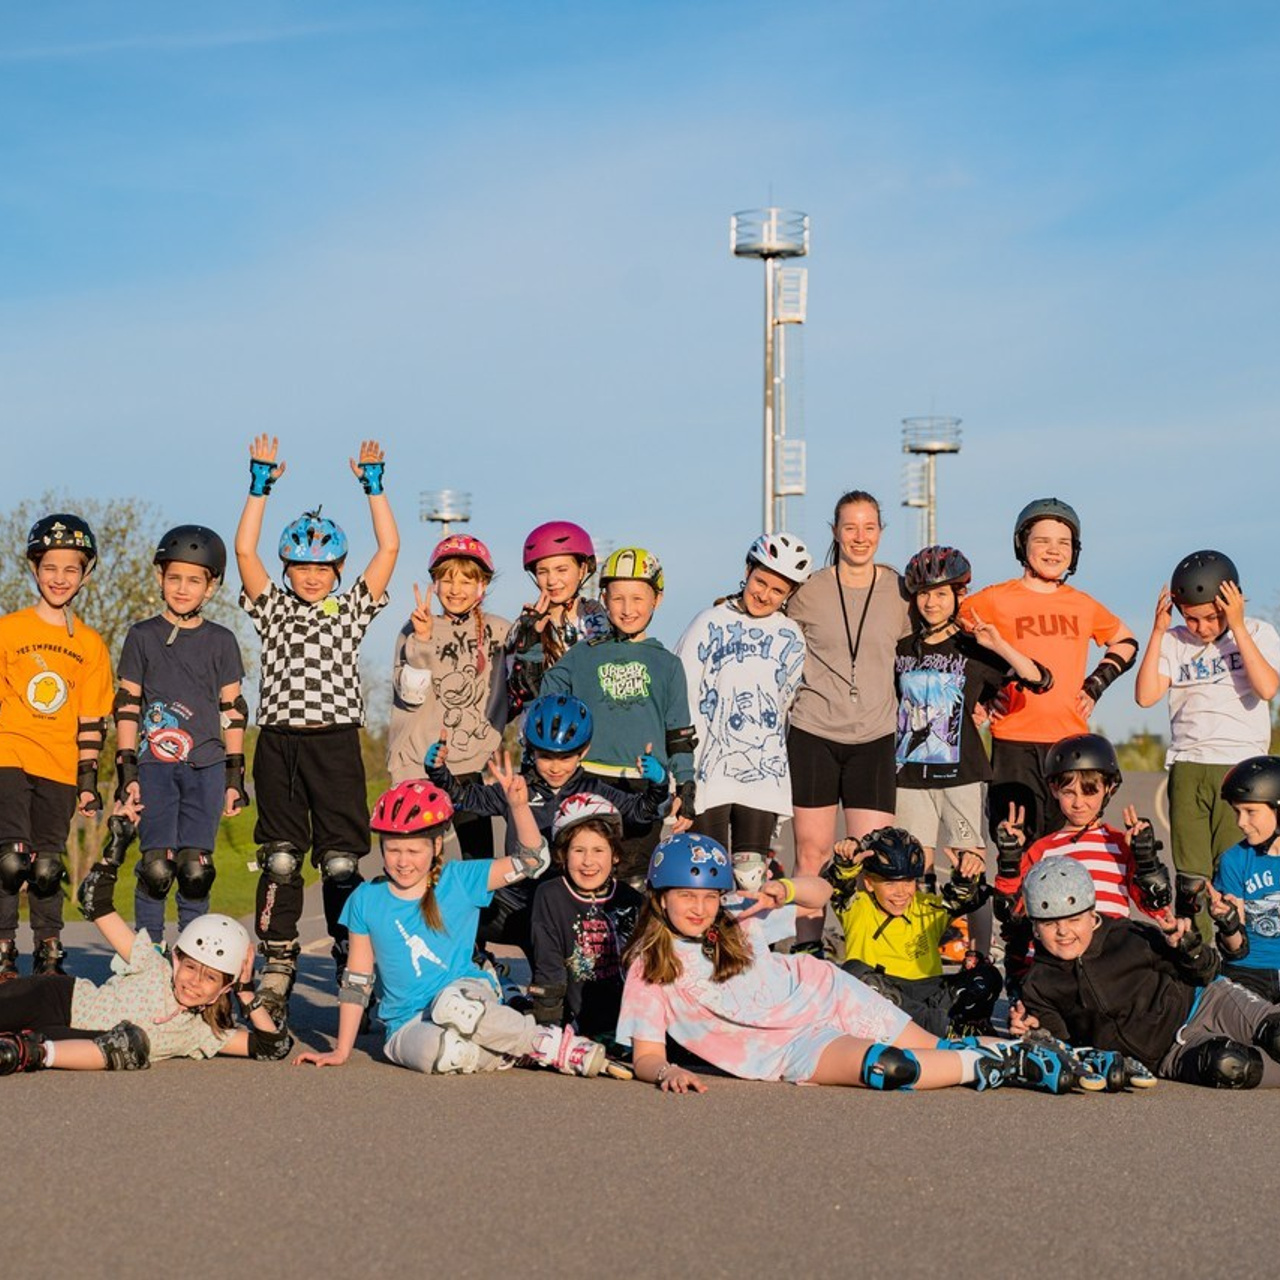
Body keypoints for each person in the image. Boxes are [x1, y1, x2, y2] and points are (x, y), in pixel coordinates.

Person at [616, 831, 1090, 1095]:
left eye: (707, 897)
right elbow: (647, 1055)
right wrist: (666, 1073)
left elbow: (822, 893)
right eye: (685, 896)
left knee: (933, 1045)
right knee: (892, 1068)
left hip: (825, 991)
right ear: (660, 898)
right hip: (787, 1050)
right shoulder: (649, 966)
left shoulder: (737, 916)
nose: (699, 908)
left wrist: (783, 890)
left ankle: (1059, 1055)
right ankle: (1007, 1064)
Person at [235, 435, 398, 1017]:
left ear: (337, 570)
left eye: (322, 567)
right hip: (279, 743)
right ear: (288, 569)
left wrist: (373, 487)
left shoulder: (351, 610)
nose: (311, 576)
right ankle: (277, 963)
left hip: (334, 743)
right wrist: (259, 487)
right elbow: (245, 553)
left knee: (341, 863)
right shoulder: (273, 608)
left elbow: (388, 551)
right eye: (301, 567)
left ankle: (353, 965)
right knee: (281, 858)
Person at [292, 778, 607, 1077]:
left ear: (436, 845)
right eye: (393, 850)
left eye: (414, 851)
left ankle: (551, 1045)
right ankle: (509, 1048)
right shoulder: (365, 898)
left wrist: (519, 807)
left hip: (466, 994)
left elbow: (533, 861)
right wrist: (340, 1051)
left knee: (452, 1005)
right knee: (448, 1053)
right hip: (405, 1024)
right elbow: (357, 980)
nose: (403, 861)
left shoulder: (460, 879)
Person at [0, 829, 290, 1073]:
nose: (194, 981)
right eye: (191, 968)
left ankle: (25, 1052)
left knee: (129, 1043)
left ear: (223, 987)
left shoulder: (202, 1033)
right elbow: (95, 903)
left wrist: (245, 990)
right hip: (58, 1000)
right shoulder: (153, 965)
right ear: (176, 960)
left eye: (210, 978)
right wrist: (116, 848)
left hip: (68, 1039)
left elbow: (273, 1045)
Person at [893, 544, 1051, 958]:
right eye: (924, 593)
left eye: (942, 593)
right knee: (914, 867)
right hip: (909, 774)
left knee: (970, 868)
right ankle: (919, 951)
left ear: (959, 595)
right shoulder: (903, 650)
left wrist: (997, 644)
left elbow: (1040, 679)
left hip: (961, 773)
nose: (931, 601)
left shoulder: (974, 650)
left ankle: (979, 954)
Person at [423, 693, 667, 957]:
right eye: (545, 756)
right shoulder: (517, 787)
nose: (555, 767)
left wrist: (658, 783)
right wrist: (439, 772)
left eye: (565, 757)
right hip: (518, 903)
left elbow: (642, 813)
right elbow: (463, 798)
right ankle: (477, 963)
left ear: (583, 751)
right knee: (446, 904)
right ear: (531, 750)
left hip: (568, 907)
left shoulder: (595, 790)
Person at [1013, 856, 1280, 1090]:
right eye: (1050, 924)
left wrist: (1189, 948)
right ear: (1035, 927)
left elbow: (1207, 972)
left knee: (1276, 1035)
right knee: (1230, 1066)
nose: (1063, 932)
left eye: (1074, 919)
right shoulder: (1039, 984)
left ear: (1091, 913)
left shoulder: (1128, 936)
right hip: (1167, 1054)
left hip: (1205, 1001)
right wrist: (1035, 1034)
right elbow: (1065, 1048)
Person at [959, 499, 1137, 844]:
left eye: (1063, 543)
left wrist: (1095, 685)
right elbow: (955, 638)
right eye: (1042, 541)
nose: (1053, 550)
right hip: (1013, 739)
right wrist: (985, 691)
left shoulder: (1082, 604)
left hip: (1069, 741)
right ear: (1022, 544)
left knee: (1066, 844)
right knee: (1015, 842)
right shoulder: (995, 599)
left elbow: (1125, 642)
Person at [784, 491, 911, 954]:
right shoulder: (808, 590)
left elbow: (929, 654)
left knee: (868, 858)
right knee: (813, 854)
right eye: (850, 527)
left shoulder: (900, 591)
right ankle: (807, 953)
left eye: (869, 527)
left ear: (880, 532)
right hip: (814, 732)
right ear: (835, 531)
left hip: (875, 737)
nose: (860, 537)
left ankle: (864, 956)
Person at [1134, 551, 1280, 942]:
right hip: (1189, 765)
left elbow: (1267, 687)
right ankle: (1198, 962)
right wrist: (1158, 632)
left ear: (1232, 602)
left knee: (1233, 869)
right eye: (1191, 617)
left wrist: (1237, 627)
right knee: (1191, 878)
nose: (1200, 626)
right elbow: (1146, 695)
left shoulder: (1258, 632)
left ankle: (1243, 955)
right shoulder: (1174, 642)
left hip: (1242, 768)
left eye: (1211, 616)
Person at [113, 525, 247, 945]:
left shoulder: (222, 641)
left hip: (206, 767)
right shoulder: (141, 636)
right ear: (159, 578)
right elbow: (127, 705)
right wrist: (126, 770)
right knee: (156, 868)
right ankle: (148, 958)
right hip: (154, 765)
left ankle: (193, 955)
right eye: (174, 578)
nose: (182, 588)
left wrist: (234, 778)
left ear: (211, 587)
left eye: (194, 580)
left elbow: (233, 712)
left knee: (195, 869)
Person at [0, 513, 113, 977]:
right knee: (10, 859)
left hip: (60, 766)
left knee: (46, 865)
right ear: (34, 568)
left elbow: (91, 720)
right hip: (9, 754)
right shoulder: (9, 630)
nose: (59, 578)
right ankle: (4, 949)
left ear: (85, 573)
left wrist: (87, 781)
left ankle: (49, 950)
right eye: (50, 567)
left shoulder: (90, 644)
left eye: (70, 568)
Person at [541, 547, 696, 882]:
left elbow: (679, 732)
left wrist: (685, 786)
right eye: (618, 599)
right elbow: (547, 695)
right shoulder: (584, 655)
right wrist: (531, 646)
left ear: (658, 598)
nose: (628, 610)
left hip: (643, 785)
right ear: (603, 599)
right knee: (585, 877)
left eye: (638, 599)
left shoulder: (668, 664)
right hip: (588, 779)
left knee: (634, 882)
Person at [674, 533, 811, 891]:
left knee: (751, 878)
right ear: (747, 571)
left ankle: (747, 946)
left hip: (762, 775)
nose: (764, 595)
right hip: (709, 769)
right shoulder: (709, 622)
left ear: (789, 594)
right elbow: (680, 690)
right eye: (760, 581)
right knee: (706, 872)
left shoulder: (791, 636)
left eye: (777, 590)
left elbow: (788, 703)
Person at [992, 733, 1171, 989]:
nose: (1079, 803)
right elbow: (1011, 912)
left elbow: (1156, 906)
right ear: (1054, 789)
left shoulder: (1121, 844)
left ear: (1109, 788)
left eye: (1089, 791)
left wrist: (1146, 861)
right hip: (1058, 962)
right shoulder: (1042, 849)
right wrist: (1009, 862)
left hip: (1109, 961)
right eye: (1068, 792)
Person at [388, 534, 510, 864]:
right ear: (435, 583)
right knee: (415, 861)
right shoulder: (415, 627)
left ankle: (476, 918)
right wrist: (424, 641)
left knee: (479, 862)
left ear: (482, 585)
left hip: (469, 765)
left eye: (467, 580)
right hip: (418, 766)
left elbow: (519, 689)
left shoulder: (500, 632)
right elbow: (410, 696)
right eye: (447, 579)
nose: (456, 589)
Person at [825, 827, 1001, 1037]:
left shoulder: (926, 906)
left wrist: (966, 875)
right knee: (853, 972)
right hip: (887, 998)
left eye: (908, 881)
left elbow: (961, 899)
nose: (901, 893)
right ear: (869, 883)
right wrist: (845, 863)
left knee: (987, 976)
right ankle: (944, 1029)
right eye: (890, 883)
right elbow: (838, 886)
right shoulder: (857, 907)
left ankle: (960, 1026)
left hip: (930, 993)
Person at [529, 795, 642, 1041]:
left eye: (599, 850)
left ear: (615, 855)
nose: (588, 861)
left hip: (630, 1020)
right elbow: (548, 965)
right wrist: (548, 1027)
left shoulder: (630, 899)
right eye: (578, 850)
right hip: (576, 1021)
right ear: (563, 854)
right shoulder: (551, 895)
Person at [506, 521, 609, 712]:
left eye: (561, 570)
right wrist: (529, 639)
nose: (552, 581)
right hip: (540, 732)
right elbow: (516, 697)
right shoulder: (523, 626)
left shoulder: (601, 620)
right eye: (542, 572)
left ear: (583, 569)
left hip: (595, 734)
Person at [1207, 756, 1280, 1002]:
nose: (1241, 823)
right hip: (1250, 972)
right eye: (1237, 812)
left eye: (1250, 812)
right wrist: (1227, 922)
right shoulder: (1234, 860)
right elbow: (1237, 949)